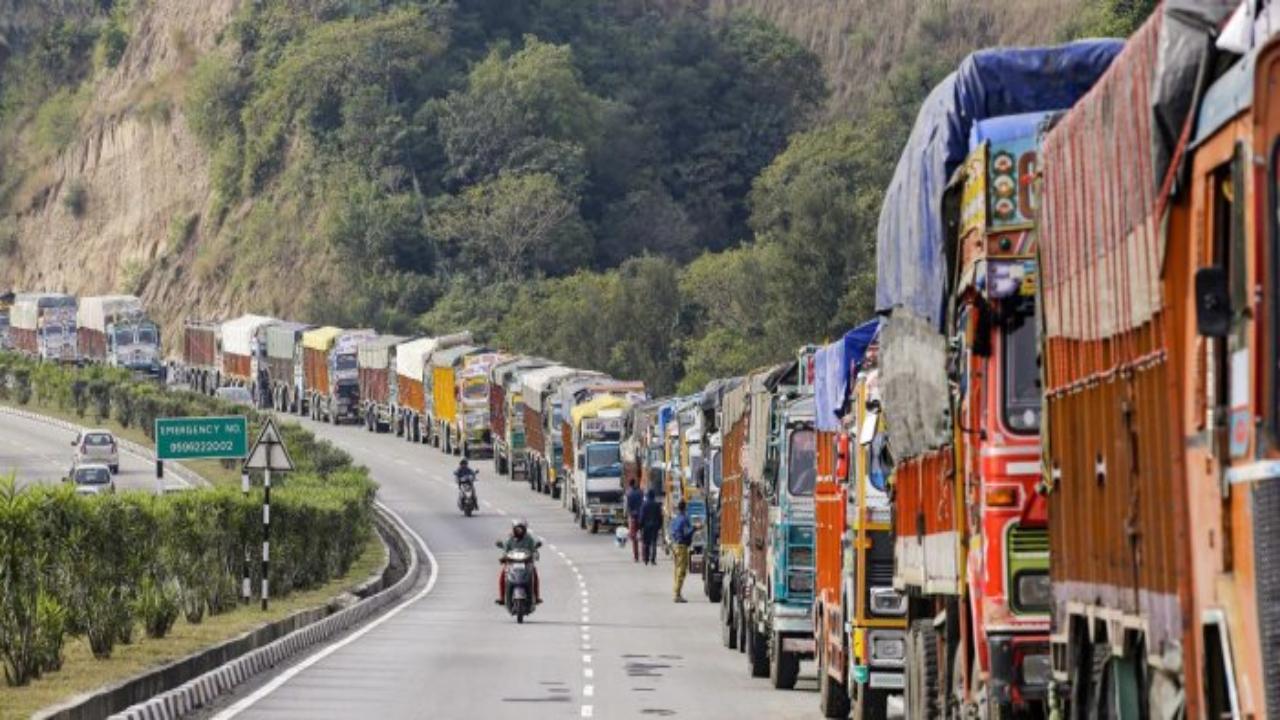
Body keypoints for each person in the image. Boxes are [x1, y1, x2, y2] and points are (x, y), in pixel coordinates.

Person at [497, 518, 541, 604]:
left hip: (526, 563)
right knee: (502, 576)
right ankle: (502, 597)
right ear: (513, 529)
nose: (519, 531)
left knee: (535, 576)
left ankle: (536, 597)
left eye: (521, 529)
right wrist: (503, 558)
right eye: (517, 529)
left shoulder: (529, 539)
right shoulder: (509, 539)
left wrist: (535, 555)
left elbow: (533, 550)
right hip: (512, 563)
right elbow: (505, 551)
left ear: (525, 529)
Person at [669, 500, 694, 603]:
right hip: (682, 546)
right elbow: (686, 533)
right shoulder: (684, 519)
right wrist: (694, 528)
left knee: (676, 569)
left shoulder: (675, 519)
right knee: (682, 570)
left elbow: (672, 532)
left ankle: (676, 591)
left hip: (675, 546)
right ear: (685, 508)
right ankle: (677, 593)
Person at [640, 489, 663, 566]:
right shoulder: (657, 505)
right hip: (655, 526)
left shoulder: (644, 505)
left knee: (646, 543)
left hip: (646, 526)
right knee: (654, 543)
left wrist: (641, 526)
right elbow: (660, 516)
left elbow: (642, 517)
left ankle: (646, 559)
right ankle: (653, 559)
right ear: (653, 496)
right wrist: (660, 525)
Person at [625, 479, 645, 563]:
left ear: (630, 485)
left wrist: (627, 516)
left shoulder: (628, 494)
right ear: (635, 483)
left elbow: (627, 507)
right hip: (641, 516)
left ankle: (636, 557)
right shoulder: (641, 492)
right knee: (643, 537)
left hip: (633, 517)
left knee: (634, 538)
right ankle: (644, 556)